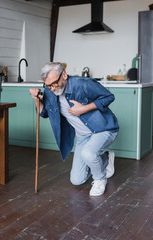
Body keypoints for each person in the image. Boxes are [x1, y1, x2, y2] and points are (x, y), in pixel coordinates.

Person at [29, 62, 119, 196]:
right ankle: (106, 158)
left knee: (88, 153)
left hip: (103, 129)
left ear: (64, 75)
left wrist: (84, 108)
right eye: (48, 85)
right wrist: (36, 100)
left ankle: (100, 179)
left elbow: (109, 97)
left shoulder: (81, 84)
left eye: (54, 83)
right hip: (83, 136)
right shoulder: (50, 91)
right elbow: (44, 114)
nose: (52, 88)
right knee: (77, 180)